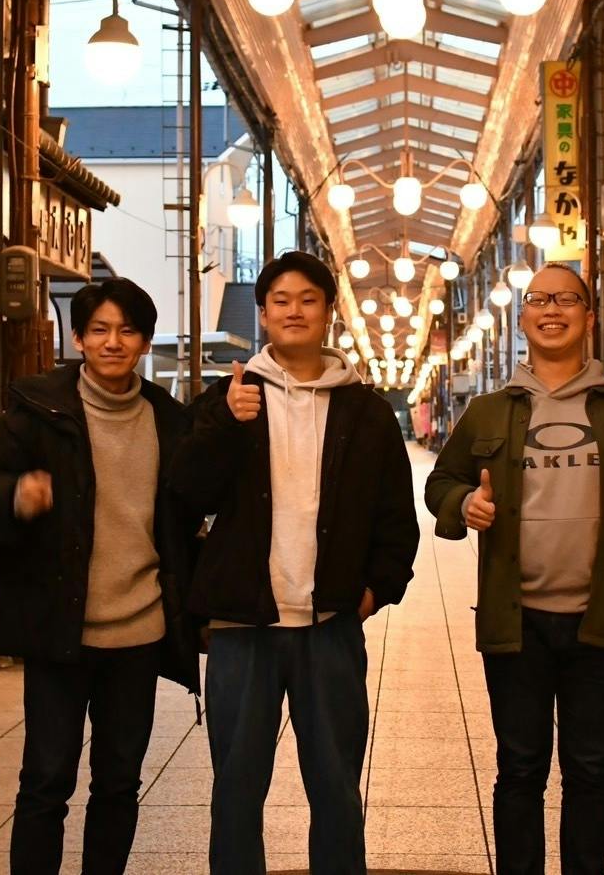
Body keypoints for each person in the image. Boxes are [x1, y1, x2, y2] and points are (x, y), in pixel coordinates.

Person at [170, 250, 420, 875]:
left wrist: (374, 592)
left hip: (329, 626)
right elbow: (184, 492)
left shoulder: (365, 411)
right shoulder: (228, 398)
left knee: (336, 788)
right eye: (280, 300)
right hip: (242, 627)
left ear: (329, 311)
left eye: (309, 299)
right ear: (262, 314)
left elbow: (396, 515)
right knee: (236, 788)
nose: (294, 311)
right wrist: (225, 425)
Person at [426, 262, 604, 875]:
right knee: (519, 769)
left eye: (566, 300)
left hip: (602, 622)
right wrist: (466, 502)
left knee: (590, 770)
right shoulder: (490, 411)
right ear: (523, 318)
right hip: (517, 624)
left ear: (589, 318)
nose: (552, 310)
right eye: (539, 299)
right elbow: (441, 482)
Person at [0, 278, 202, 875]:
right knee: (46, 780)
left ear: (145, 341)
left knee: (119, 782)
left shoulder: (169, 421)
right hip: (60, 632)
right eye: (99, 330)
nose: (113, 342)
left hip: (138, 634)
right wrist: (15, 495)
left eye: (127, 331)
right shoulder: (39, 413)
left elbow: (190, 511)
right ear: (79, 338)